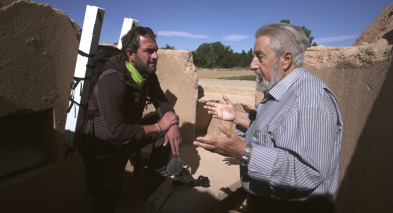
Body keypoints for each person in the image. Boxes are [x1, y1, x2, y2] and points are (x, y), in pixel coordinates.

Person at [194, 23, 343, 213]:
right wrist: (239, 117)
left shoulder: (309, 100)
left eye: (260, 56)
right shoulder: (284, 90)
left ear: (286, 59)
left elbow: (308, 172)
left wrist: (244, 152)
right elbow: (277, 131)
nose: (252, 64)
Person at [77, 26, 182, 213]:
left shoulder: (147, 75)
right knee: (107, 200)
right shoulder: (112, 81)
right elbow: (118, 133)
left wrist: (171, 123)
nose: (155, 56)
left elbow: (163, 104)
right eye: (149, 51)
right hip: (103, 149)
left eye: (156, 50)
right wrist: (159, 126)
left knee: (170, 120)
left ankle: (153, 172)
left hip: (127, 136)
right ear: (130, 54)